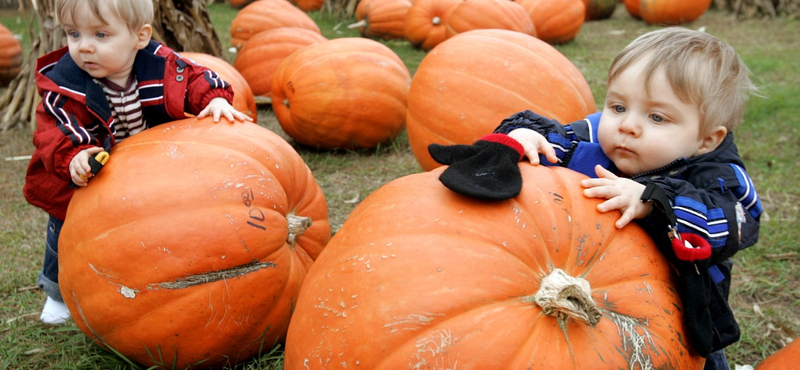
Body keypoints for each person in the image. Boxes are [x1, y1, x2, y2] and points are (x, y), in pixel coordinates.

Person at [428, 27, 761, 370]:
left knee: (695, 359)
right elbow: (558, 138)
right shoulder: (602, 135)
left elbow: (739, 218)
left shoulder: (718, 173)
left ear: (706, 139)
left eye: (656, 117)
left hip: (678, 306)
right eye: (618, 105)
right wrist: (526, 136)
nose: (627, 125)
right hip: (589, 286)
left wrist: (657, 200)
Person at [24, 0, 253, 325]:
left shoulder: (160, 65)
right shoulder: (65, 83)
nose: (84, 47)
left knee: (155, 225)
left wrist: (213, 98)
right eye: (73, 34)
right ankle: (56, 293)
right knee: (64, 231)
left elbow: (195, 78)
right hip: (89, 176)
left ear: (139, 37)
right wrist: (75, 155)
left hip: (148, 174)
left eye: (100, 35)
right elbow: (56, 130)